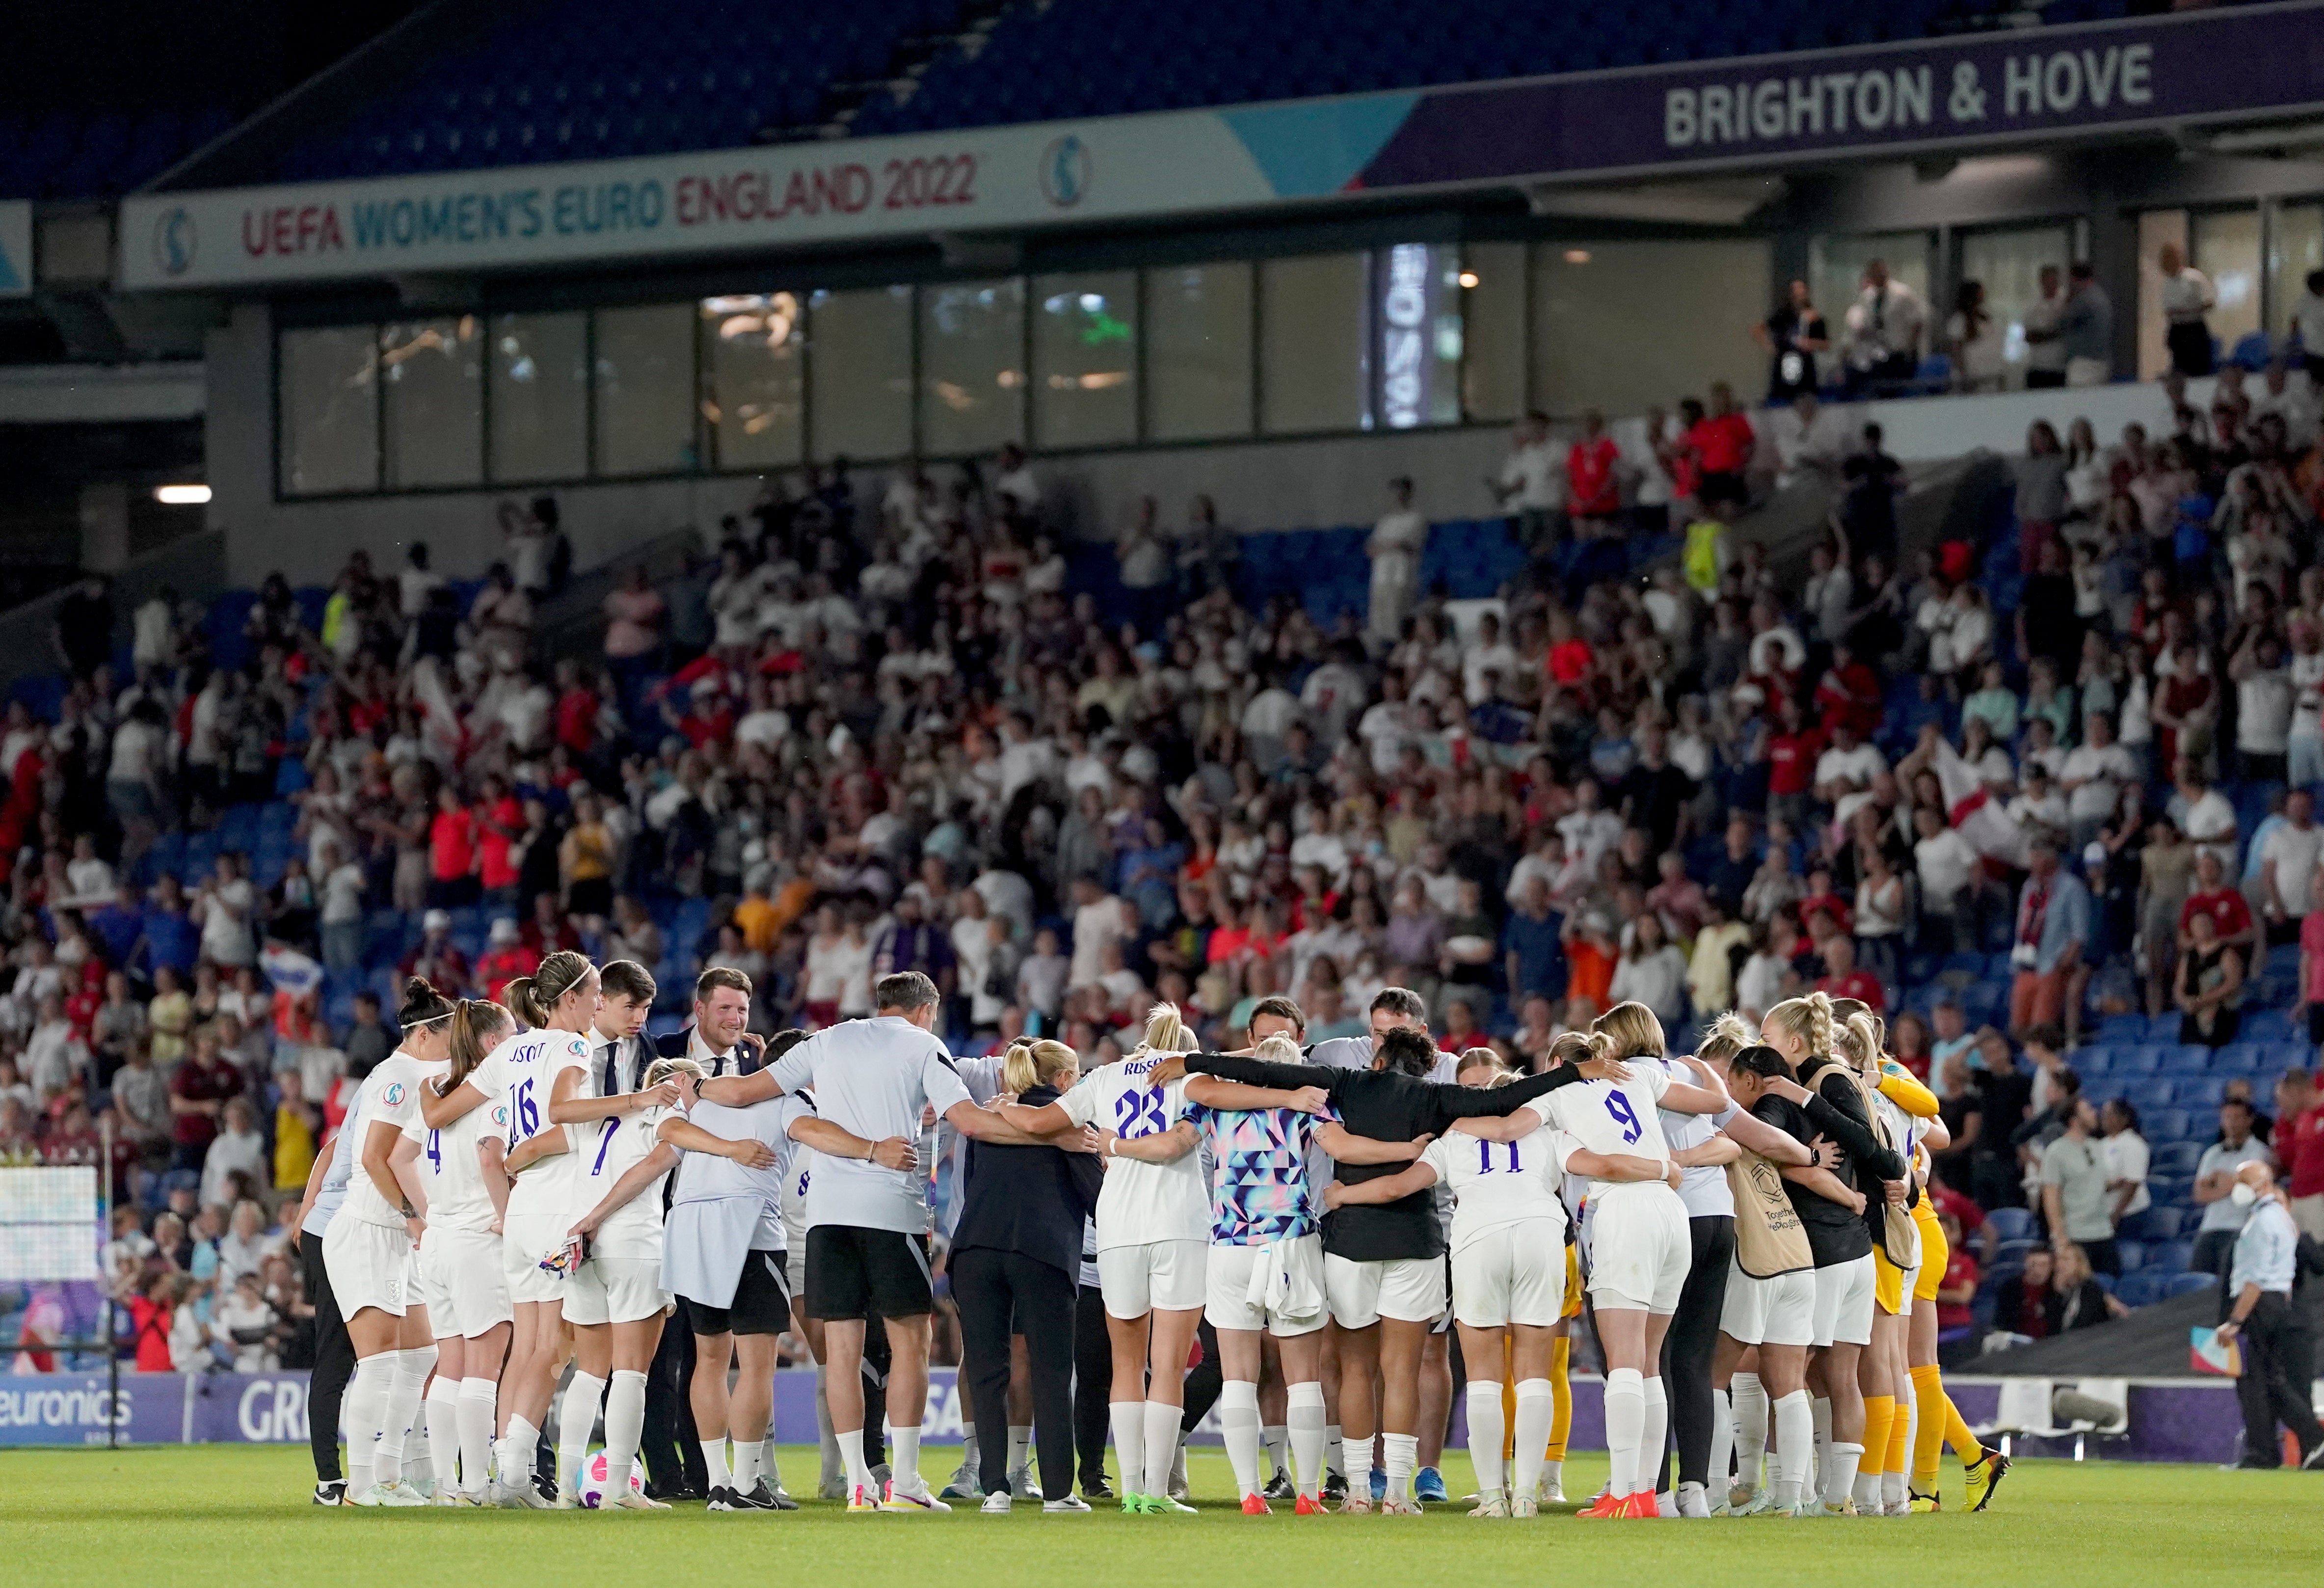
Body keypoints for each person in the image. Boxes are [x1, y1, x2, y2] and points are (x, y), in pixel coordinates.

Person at [1175, 1005, 1605, 1514]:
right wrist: (1572, 1070)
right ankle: (1399, 1492)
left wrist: (1190, 1059)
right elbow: (1506, 1096)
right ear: (1424, 1066)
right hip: (1416, 1242)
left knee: (1356, 1369)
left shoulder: (1346, 1083)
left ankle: (1358, 1489)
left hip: (1349, 1243)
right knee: (1401, 1370)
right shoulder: (1435, 1098)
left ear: (1377, 1058)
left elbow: (1270, 1071)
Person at [702, 971, 1054, 1512]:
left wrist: (693, 1087)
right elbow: (971, 1122)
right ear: (925, 1009)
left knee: (841, 1353)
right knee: (909, 1342)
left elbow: (746, 1091)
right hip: (891, 1212)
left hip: (826, 1216)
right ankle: (908, 1482)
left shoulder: (827, 1039)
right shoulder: (923, 1045)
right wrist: (1050, 1129)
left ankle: (861, 1484)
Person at [1324, 1045, 1672, 1518]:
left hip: (1477, 1241)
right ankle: (1527, 1495)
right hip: (1541, 1238)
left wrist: (1345, 1194)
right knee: (1535, 1375)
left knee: (1485, 1376)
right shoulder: (1549, 1132)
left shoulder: (1454, 1133)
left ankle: (1492, 1495)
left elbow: (1396, 1187)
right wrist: (1663, 1169)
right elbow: (1603, 1164)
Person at [1456, 1004, 1734, 1519]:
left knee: (1626, 1360)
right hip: (1672, 1212)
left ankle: (1626, 1492)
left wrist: (1443, 1113)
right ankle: (1646, 1496)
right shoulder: (1640, 1078)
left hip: (1624, 1208)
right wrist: (1702, 1063)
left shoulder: (1557, 1092)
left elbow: (1502, 1130)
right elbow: (1717, 1103)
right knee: (1650, 1363)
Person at [416, 950, 609, 1507]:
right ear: (569, 998)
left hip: (520, 1214)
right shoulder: (574, 1045)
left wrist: (430, 1091)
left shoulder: (514, 1049)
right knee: (550, 1348)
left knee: (525, 1348)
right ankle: (514, 1476)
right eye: (594, 992)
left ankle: (508, 1474)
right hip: (554, 1204)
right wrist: (625, 1105)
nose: (598, 1002)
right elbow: (565, 1117)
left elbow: (440, 1114)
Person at [996, 1004, 1205, 1514]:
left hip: (1118, 1228)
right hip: (1178, 1223)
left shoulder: (1106, 1075)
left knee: (1125, 1363)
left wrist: (1005, 1107)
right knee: (1169, 1365)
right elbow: (1176, 1144)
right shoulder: (1195, 1077)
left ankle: (1132, 1487)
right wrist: (1119, 1143)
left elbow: (1044, 1121)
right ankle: (1156, 1491)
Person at [1756, 991, 1908, 1516]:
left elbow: (1876, 1149)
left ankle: (1794, 1490)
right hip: (1852, 1248)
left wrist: (1804, 1107)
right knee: (1831, 1375)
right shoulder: (1822, 1081)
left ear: (1794, 1042)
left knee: (1792, 1369)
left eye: (1768, 1038)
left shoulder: (1823, 1083)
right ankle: (1839, 1494)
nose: (1762, 1048)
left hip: (1827, 1245)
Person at [319, 976, 456, 1507]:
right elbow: (374, 1157)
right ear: (424, 1036)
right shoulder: (397, 1078)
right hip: (368, 1233)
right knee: (376, 1363)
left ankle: (398, 1473)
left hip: (397, 1237)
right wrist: (412, 1215)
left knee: (422, 1355)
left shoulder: (415, 1075)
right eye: (448, 1039)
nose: (451, 1051)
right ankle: (361, 1484)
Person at [950, 1037, 1103, 1513]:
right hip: (1042, 1253)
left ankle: (994, 1488)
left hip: (975, 1250)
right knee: (1052, 1372)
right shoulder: (1073, 1125)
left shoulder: (991, 1119)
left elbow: (974, 1181)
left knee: (986, 1371)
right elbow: (1099, 1201)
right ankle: (1058, 1492)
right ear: (1062, 1080)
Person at [408, 998, 518, 1506]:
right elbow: (491, 1156)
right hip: (478, 1239)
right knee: (483, 1367)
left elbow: (396, 1156)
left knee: (450, 1364)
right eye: (513, 1036)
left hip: (439, 1239)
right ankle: (476, 1484)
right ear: (493, 1043)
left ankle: (445, 1485)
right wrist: (511, 1217)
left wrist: (427, 1215)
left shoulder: (440, 1093)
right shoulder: (493, 1094)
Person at [2213, 1160, 2324, 1468]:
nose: (2237, 1187)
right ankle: (2270, 1452)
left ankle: (2308, 1440)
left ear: (2263, 1184)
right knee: (2266, 1381)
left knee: (2263, 1381)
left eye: (2242, 1180)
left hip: (2260, 1306)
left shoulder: (2263, 1222)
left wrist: (2235, 1322)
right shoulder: (2280, 1219)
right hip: (2275, 1305)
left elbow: (2256, 1279)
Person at [2192, 1099, 2271, 1275]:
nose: (2231, 1123)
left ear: (2249, 1120)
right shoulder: (2212, 1154)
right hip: (2210, 1227)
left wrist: (2220, 1182)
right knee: (2197, 1281)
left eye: (2237, 1117)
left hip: (2240, 1227)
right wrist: (2232, 1184)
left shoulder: (2258, 1151)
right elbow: (2199, 1194)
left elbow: (2253, 1187)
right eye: (2227, 1117)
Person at [1366, 478, 1425, 646]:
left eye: (1400, 492)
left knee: (1397, 622)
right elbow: (1371, 548)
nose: (1397, 497)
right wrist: (1391, 545)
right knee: (1379, 621)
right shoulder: (1385, 521)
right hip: (1381, 577)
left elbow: (1406, 545)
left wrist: (1386, 546)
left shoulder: (1415, 518)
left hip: (1401, 578)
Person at [1755, 278, 1828, 403]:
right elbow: (1758, 330)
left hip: (1805, 368)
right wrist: (1770, 348)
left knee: (1806, 400)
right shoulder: (1783, 315)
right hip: (1785, 365)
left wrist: (1809, 343)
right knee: (1783, 400)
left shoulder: (1815, 318)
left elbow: (1825, 344)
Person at [2157, 240, 2217, 377]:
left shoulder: (2194, 278)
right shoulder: (2167, 283)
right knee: (2179, 368)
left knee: (2197, 369)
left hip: (2193, 328)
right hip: (2177, 329)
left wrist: (2189, 310)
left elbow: (2209, 302)